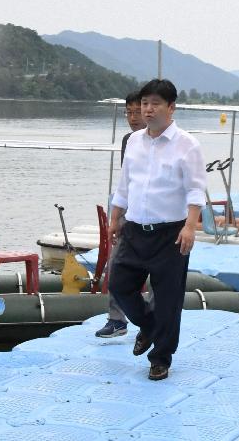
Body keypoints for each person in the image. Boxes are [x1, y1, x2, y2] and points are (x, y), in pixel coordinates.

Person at [108, 79, 207, 381]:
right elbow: (125, 185)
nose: (147, 110)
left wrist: (191, 227)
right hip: (135, 229)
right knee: (119, 283)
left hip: (171, 233)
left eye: (155, 104)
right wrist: (115, 217)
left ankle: (161, 357)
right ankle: (149, 327)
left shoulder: (187, 145)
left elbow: (195, 190)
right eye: (144, 104)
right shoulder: (135, 141)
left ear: (171, 108)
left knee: (167, 300)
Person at [95, 91, 149, 338]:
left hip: (158, 219)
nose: (132, 117)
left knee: (157, 274)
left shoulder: (171, 143)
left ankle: (153, 321)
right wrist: (115, 218)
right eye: (128, 112)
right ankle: (117, 319)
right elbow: (126, 183)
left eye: (136, 111)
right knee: (115, 265)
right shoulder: (129, 140)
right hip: (130, 213)